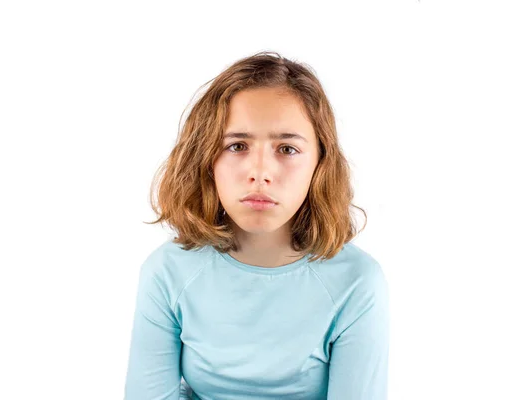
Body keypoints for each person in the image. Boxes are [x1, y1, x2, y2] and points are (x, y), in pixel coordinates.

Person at [123, 51, 389, 399]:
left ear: (319, 163)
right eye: (237, 146)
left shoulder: (357, 282)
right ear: (206, 160)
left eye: (287, 149)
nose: (260, 172)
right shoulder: (167, 271)